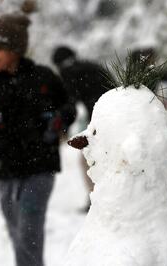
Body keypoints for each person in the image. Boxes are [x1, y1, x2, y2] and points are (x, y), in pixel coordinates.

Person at [0, 11, 75, 266]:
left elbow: (69, 107)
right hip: (4, 169)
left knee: (29, 227)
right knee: (16, 230)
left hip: (40, 166)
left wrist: (58, 120)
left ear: (16, 47)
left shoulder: (43, 77)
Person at [52, 45, 111, 212]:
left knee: (89, 160)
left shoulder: (68, 75)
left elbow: (69, 106)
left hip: (97, 122)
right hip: (115, 116)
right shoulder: (92, 66)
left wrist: (61, 129)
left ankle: (96, 199)